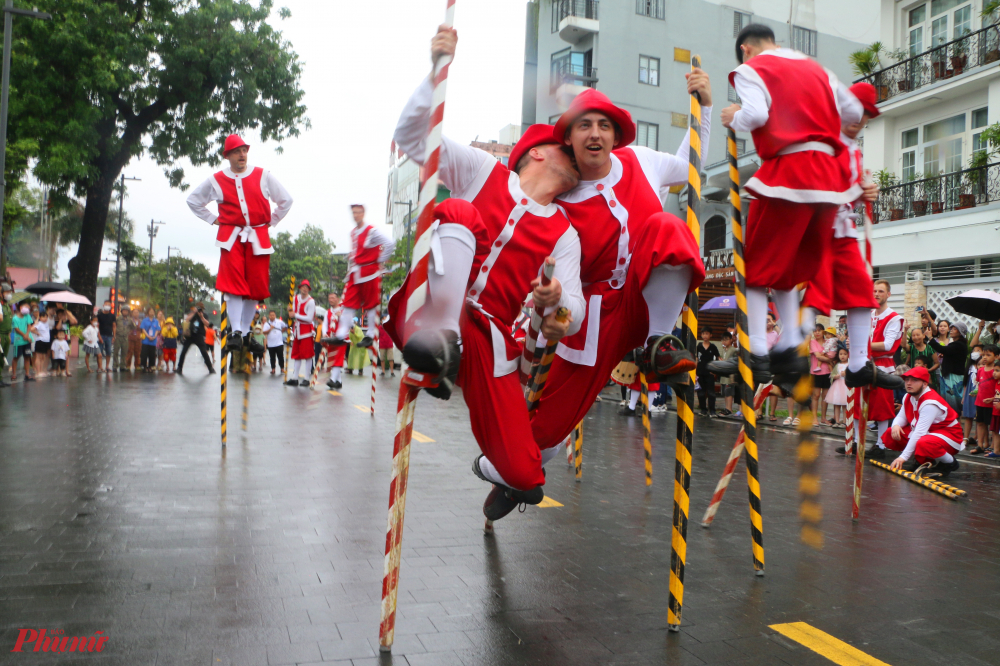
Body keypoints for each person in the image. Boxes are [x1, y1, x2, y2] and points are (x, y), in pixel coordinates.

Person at [388, 26, 586, 520]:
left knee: (527, 478)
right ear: (536, 151)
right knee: (456, 211)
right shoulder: (483, 170)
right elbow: (413, 138)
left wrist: (556, 298)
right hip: (437, 309)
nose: (577, 159)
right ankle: (439, 347)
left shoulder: (565, 233)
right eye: (567, 148)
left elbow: (575, 311)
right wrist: (436, 69)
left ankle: (492, 467)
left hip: (493, 339)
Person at [526, 60, 711, 454]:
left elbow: (692, 165)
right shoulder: (559, 201)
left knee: (668, 226)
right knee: (548, 421)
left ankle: (656, 344)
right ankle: (519, 473)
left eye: (604, 125)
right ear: (571, 138)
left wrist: (705, 108)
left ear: (615, 135)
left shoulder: (642, 160)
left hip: (645, 296)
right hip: (593, 313)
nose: (595, 133)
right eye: (584, 125)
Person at [717, 24, 864, 390]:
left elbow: (754, 116)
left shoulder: (752, 68)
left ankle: (755, 351)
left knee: (756, 267)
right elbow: (854, 111)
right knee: (782, 268)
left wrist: (732, 116)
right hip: (828, 179)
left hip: (790, 173)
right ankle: (787, 345)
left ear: (746, 49)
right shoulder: (816, 68)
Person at [186, 133, 292, 356]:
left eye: (244, 150)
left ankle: (244, 334)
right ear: (228, 156)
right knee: (233, 284)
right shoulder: (216, 179)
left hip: (258, 237)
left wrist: (270, 222)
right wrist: (213, 219)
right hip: (231, 236)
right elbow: (193, 200)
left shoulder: (263, 175)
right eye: (237, 151)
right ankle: (235, 331)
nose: (242, 154)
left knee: (254, 289)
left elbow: (286, 200)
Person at [330, 205, 394, 348]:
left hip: (370, 273)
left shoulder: (371, 231)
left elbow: (390, 243)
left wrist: (379, 260)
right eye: (353, 213)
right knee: (348, 304)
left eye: (358, 212)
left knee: (371, 305)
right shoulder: (353, 232)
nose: (355, 215)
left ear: (363, 213)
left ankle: (370, 335)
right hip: (355, 272)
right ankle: (341, 335)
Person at [883, 366, 962, 477]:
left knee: (924, 442)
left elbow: (919, 432)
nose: (909, 383)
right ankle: (924, 461)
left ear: (925, 384)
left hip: (950, 436)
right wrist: (896, 425)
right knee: (891, 432)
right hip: (928, 434)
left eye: (914, 380)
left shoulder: (930, 402)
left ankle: (950, 463)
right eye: (907, 379)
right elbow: (902, 417)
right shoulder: (908, 396)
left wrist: (903, 457)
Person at [927, 320, 969, 413]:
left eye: (955, 329)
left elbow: (941, 349)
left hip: (953, 377)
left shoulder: (958, 344)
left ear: (960, 332)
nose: (951, 330)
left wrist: (930, 337)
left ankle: (954, 421)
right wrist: (946, 355)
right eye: (952, 328)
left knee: (953, 402)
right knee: (949, 401)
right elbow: (951, 353)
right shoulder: (957, 344)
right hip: (951, 375)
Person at [285, 279, 315, 386]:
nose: (305, 289)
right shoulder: (295, 298)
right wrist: (289, 309)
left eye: (307, 287)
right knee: (296, 355)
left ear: (308, 289)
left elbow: (309, 318)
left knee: (307, 355)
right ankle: (294, 377)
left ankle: (307, 378)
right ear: (300, 287)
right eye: (303, 286)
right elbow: (291, 311)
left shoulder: (311, 301)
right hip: (297, 329)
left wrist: (295, 315)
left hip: (306, 330)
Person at [319, 293, 347, 389]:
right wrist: (324, 333)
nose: (331, 299)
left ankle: (332, 379)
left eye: (333, 298)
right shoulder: (328, 312)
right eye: (329, 298)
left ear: (337, 299)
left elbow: (348, 323)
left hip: (341, 339)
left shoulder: (343, 310)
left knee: (337, 359)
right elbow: (325, 324)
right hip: (331, 339)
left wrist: (340, 317)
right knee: (331, 360)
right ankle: (338, 381)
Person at [177, 304, 214, 374]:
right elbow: (187, 319)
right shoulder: (192, 314)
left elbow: (207, 324)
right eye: (199, 309)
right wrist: (194, 312)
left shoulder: (204, 315)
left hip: (199, 336)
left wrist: (202, 317)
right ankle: (179, 367)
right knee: (184, 351)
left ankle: (210, 368)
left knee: (204, 352)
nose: (200, 311)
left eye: (201, 309)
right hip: (190, 335)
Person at [974, 345, 998, 458]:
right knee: (980, 423)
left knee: (992, 425)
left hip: (992, 403)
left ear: (997, 356)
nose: (985, 357)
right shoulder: (980, 370)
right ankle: (981, 444)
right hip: (980, 401)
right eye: (983, 355)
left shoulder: (996, 371)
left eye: (988, 355)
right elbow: (979, 384)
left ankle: (992, 446)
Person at [809, 324, 833, 426]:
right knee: (816, 395)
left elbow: (832, 355)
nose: (817, 333)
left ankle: (823, 418)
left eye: (819, 330)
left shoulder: (828, 342)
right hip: (816, 372)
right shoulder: (812, 342)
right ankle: (814, 418)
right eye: (815, 331)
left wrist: (827, 358)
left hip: (827, 371)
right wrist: (827, 358)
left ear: (823, 331)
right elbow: (818, 355)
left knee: (825, 396)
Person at [964, 343, 984, 453]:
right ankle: (966, 438)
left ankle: (977, 438)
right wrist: (963, 397)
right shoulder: (970, 367)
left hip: (980, 394)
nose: (975, 352)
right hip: (969, 394)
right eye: (974, 350)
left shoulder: (984, 368)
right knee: (968, 416)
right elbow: (965, 383)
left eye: (978, 350)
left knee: (979, 417)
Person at [696, 328, 720, 418]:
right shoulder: (698, 346)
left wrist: (716, 371)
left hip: (710, 373)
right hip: (700, 372)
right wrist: (694, 372)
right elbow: (696, 359)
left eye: (707, 333)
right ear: (701, 335)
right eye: (703, 334)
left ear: (711, 335)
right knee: (701, 392)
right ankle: (703, 409)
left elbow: (718, 358)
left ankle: (712, 410)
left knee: (711, 393)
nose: (705, 335)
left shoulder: (713, 347)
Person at [10, 302, 34, 381]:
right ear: (20, 307)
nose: (27, 309)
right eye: (25, 307)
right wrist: (24, 335)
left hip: (27, 340)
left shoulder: (27, 316)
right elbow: (16, 329)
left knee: (27, 357)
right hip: (19, 341)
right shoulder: (15, 318)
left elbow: (29, 325)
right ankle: (14, 374)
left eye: (28, 308)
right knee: (16, 357)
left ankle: (27, 374)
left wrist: (27, 335)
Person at [827, 347, 849, 427]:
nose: (842, 356)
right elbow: (832, 374)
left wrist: (846, 374)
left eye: (845, 354)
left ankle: (844, 421)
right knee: (836, 404)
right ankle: (836, 421)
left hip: (846, 385)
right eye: (841, 354)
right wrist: (834, 376)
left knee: (844, 404)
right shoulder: (838, 365)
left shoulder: (849, 365)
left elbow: (852, 375)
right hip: (837, 386)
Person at [718, 331, 738, 416]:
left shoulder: (733, 350)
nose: (724, 341)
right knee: (725, 392)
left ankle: (729, 408)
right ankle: (727, 408)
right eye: (723, 340)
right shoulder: (723, 350)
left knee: (729, 391)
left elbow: (735, 361)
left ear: (731, 340)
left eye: (726, 339)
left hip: (730, 375)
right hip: (724, 374)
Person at [262, 310, 287, 375]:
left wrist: (281, 331)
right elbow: (264, 332)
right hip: (271, 344)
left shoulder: (279, 322)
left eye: (273, 315)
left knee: (280, 356)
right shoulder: (267, 324)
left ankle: (282, 368)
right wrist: (270, 329)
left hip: (279, 343)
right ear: (269, 316)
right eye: (271, 315)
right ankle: (273, 369)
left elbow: (285, 326)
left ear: (275, 315)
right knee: (272, 357)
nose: (272, 316)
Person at [96, 300, 116, 372]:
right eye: (106, 304)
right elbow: (97, 326)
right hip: (101, 335)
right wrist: (99, 336)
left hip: (109, 336)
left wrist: (114, 336)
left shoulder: (112, 316)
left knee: (109, 352)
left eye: (109, 304)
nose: (107, 305)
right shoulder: (99, 315)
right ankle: (100, 367)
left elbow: (114, 326)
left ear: (110, 306)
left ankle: (107, 366)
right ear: (103, 305)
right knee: (99, 352)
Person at [0, 282, 14, 387]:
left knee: (3, 357)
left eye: (10, 292)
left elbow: (8, 321)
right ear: (1, 293)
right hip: (0, 334)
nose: (9, 294)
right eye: (7, 292)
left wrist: (9, 334)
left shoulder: (7, 306)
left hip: (6, 335)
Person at [140, 307, 160, 372]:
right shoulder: (144, 320)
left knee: (152, 354)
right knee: (144, 353)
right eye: (150, 311)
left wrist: (154, 336)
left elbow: (158, 329)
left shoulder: (156, 321)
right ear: (148, 312)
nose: (151, 313)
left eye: (153, 311)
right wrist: (148, 336)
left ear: (154, 313)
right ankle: (144, 366)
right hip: (145, 340)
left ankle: (151, 366)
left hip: (153, 340)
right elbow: (143, 329)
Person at [32, 310, 51, 378]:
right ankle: (38, 372)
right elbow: (32, 329)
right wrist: (37, 333)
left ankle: (41, 371)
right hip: (40, 341)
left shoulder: (47, 323)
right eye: (43, 317)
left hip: (46, 342)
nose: (45, 318)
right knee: (38, 357)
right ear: (40, 317)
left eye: (46, 317)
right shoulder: (39, 323)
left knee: (43, 357)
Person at [112, 305, 131, 371]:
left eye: (126, 311)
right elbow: (113, 326)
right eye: (124, 311)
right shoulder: (117, 318)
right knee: (115, 352)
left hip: (125, 337)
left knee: (124, 352)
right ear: (121, 311)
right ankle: (115, 365)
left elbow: (133, 327)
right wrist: (114, 336)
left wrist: (129, 332)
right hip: (118, 336)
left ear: (128, 312)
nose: (125, 312)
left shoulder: (130, 320)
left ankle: (122, 366)